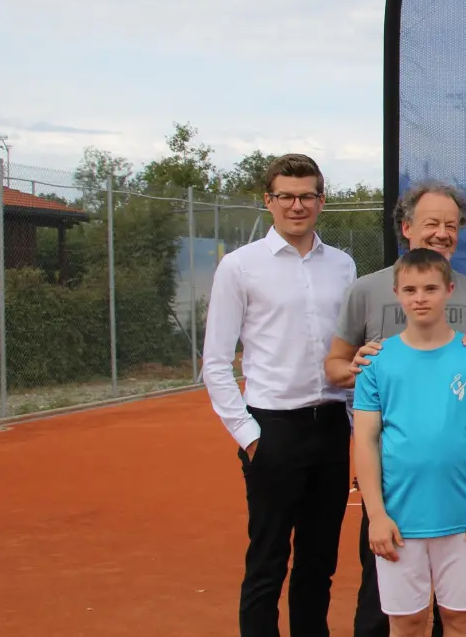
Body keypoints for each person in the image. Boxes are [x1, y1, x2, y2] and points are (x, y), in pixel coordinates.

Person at [324, 181, 466, 637]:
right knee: (390, 610)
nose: (442, 232)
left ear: (446, 290)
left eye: (451, 225)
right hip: (396, 490)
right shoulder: (367, 294)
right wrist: (362, 368)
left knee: (460, 619)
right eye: (431, 223)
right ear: (406, 228)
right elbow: (337, 367)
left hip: (461, 492)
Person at [201, 153, 358, 637]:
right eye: (286, 196)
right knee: (268, 562)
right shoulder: (239, 266)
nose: (296, 205)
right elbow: (215, 362)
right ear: (268, 201)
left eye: (306, 195)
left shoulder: (343, 265)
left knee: (318, 564)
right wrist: (250, 436)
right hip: (272, 430)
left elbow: (351, 348)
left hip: (332, 428)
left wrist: (353, 422)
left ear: (321, 201)